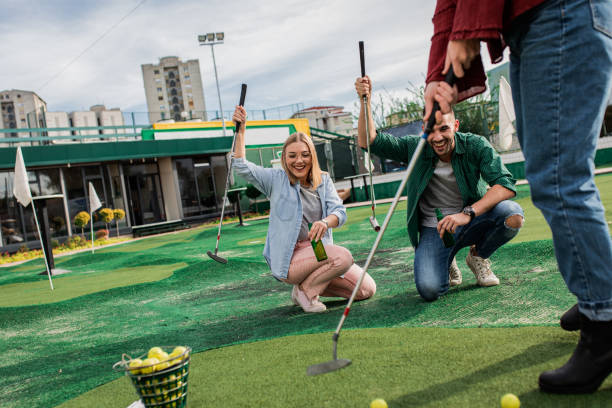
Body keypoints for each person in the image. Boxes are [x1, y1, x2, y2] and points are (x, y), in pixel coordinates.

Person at [424, 0, 612, 394]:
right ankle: (598, 291)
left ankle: (605, 322)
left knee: (560, 178)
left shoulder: (473, 145)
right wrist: (434, 76)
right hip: (532, 23)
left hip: (560, 11)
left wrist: (467, 29)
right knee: (552, 176)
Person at [355, 76, 524, 302]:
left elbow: (505, 185)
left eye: (444, 128)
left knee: (512, 215)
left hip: (470, 219)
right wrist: (365, 101)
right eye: (431, 129)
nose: (437, 137)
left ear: (455, 126)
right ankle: (447, 258)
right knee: (430, 289)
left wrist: (468, 213)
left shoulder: (475, 144)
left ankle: (478, 256)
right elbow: (369, 141)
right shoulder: (414, 147)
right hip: (434, 229)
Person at [230, 105, 376, 313]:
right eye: (292, 156)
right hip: (291, 258)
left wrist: (326, 222)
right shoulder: (275, 179)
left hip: (318, 250)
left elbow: (340, 212)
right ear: (284, 159)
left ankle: (309, 284)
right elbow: (241, 165)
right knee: (342, 257)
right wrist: (241, 130)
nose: (299, 161)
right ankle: (306, 292)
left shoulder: (323, 180)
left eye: (305, 155)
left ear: (312, 157)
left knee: (366, 290)